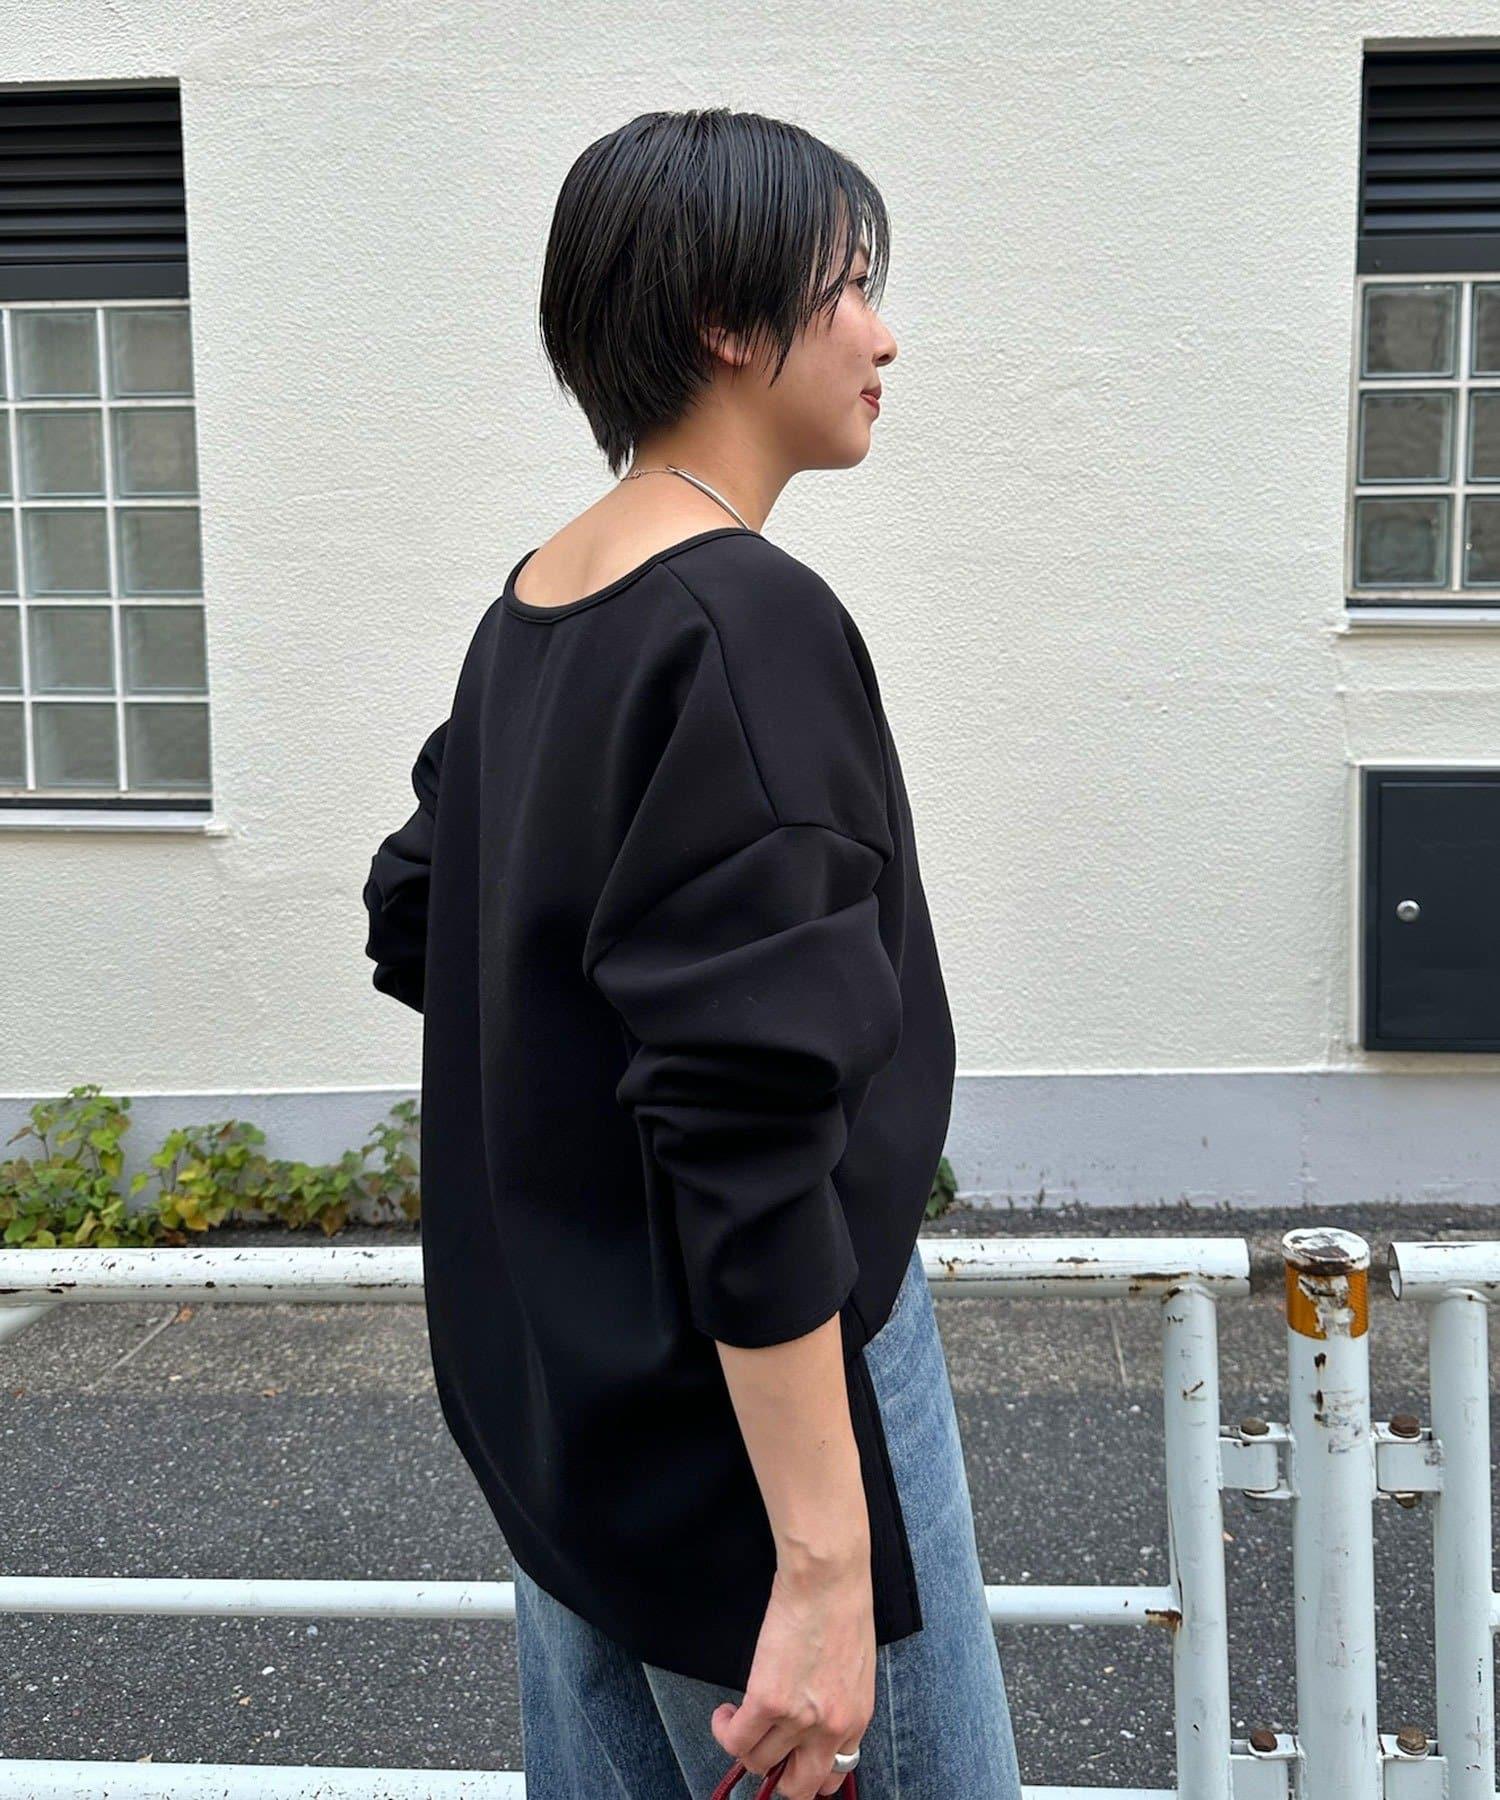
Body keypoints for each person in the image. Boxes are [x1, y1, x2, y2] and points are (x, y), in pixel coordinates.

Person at [362, 106, 1022, 1800]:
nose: (884, 334)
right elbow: (747, 1118)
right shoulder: (742, 617)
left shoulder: (536, 606)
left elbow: (423, 910)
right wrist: (824, 1562)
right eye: (852, 285)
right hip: (761, 1410)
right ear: (729, 319)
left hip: (573, 1414)